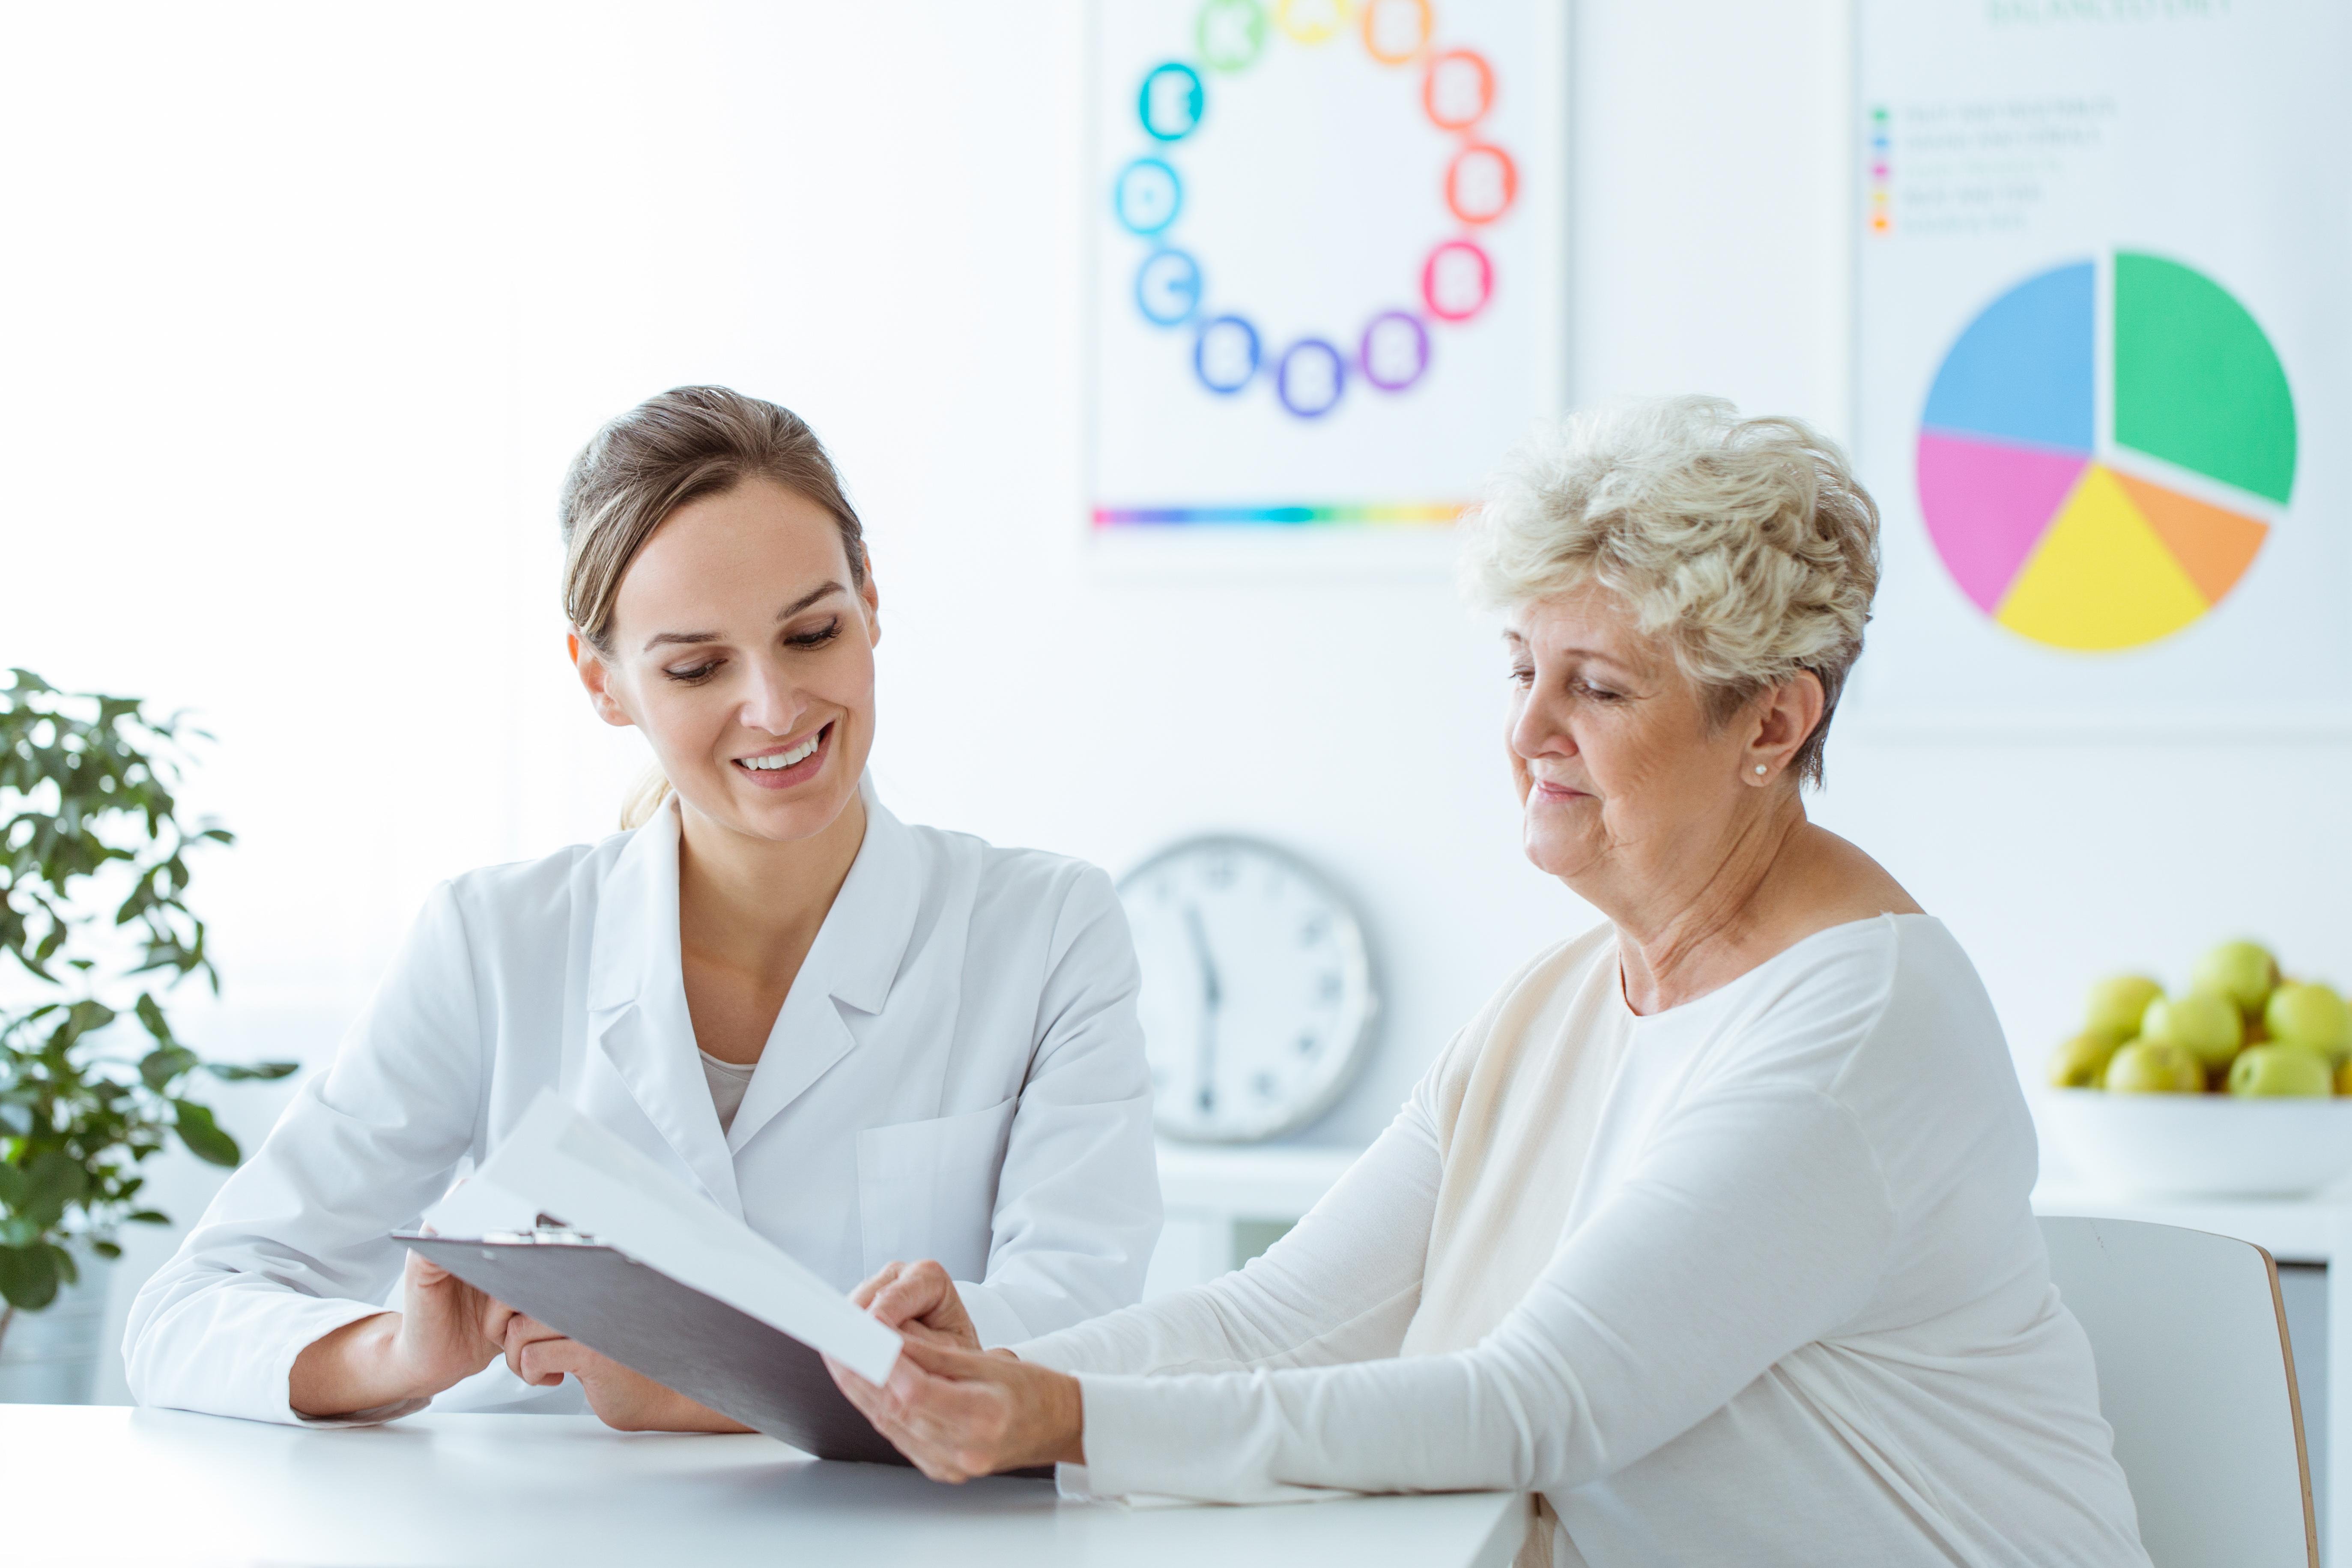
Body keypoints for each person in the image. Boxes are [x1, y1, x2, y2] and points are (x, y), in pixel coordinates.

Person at [823, 397, 2151, 1568]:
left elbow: (1536, 1401)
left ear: (1773, 722)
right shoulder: (1566, 996)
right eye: (1523, 668)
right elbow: (1282, 1318)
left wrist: (1060, 1417)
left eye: (1599, 688)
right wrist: (992, 1370)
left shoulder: (1857, 1025)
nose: (1526, 732)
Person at [124, 386, 1160, 1430]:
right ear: (602, 680)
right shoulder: (493, 944)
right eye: (699, 666)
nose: (775, 706)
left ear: (870, 603)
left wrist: (689, 1383)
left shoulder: (1045, 930)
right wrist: (398, 1352)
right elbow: (184, 1316)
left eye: (810, 633)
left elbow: (1089, 1334)